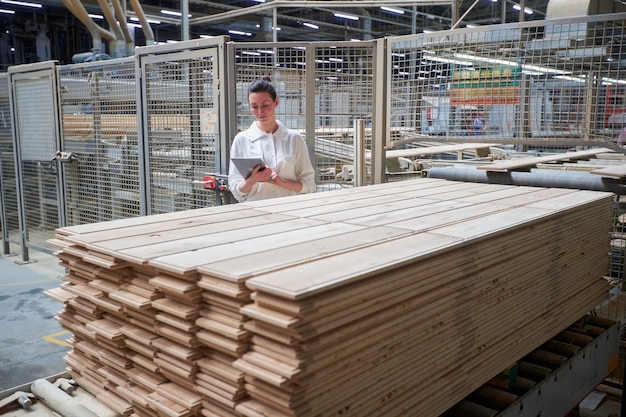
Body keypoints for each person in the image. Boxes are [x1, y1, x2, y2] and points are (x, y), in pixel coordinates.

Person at [228, 78, 316, 202]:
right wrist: (252, 180)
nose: (260, 112)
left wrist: (281, 182)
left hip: (289, 211)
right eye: (254, 107)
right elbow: (235, 189)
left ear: (276, 102)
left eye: (265, 105)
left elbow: (309, 185)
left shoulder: (294, 139)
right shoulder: (241, 140)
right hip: (255, 211)